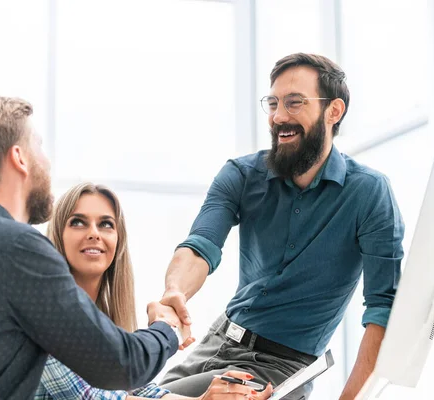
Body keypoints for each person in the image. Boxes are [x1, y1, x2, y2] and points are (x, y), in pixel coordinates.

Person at [0, 96, 182, 400]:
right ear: (19, 158)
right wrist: (167, 328)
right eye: (39, 146)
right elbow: (123, 364)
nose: (47, 161)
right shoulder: (17, 247)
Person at [156, 53, 405, 400]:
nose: (278, 117)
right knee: (136, 395)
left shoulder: (369, 193)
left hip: (279, 368)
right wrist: (176, 291)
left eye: (294, 103)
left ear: (334, 111)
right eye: (272, 104)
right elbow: (201, 245)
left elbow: (384, 310)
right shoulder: (241, 174)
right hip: (217, 340)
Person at [35, 182, 274, 400]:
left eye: (106, 224)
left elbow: (139, 390)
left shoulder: (102, 323)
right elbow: (92, 398)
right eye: (78, 222)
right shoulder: (44, 312)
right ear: (58, 235)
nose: (94, 233)